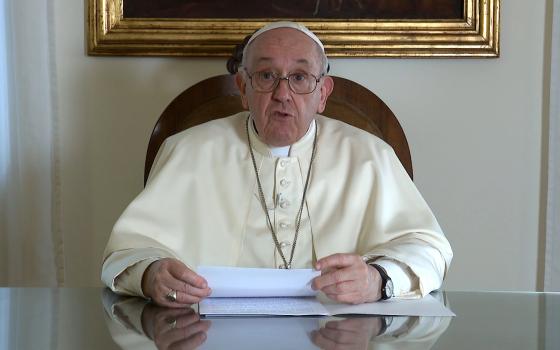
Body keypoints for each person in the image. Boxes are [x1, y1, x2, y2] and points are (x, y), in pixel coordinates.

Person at [101, 21, 452, 307]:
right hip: (208, 335)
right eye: (267, 76)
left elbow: (428, 248)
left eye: (299, 78)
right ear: (243, 87)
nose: (282, 94)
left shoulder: (370, 155)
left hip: (339, 338)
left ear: (323, 94)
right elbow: (129, 251)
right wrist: (151, 274)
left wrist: (379, 279)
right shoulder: (188, 151)